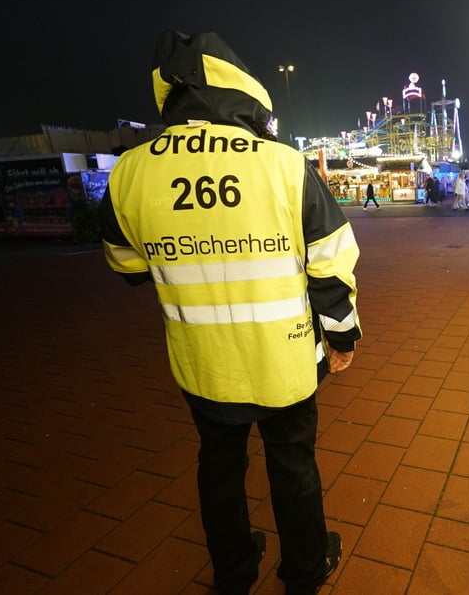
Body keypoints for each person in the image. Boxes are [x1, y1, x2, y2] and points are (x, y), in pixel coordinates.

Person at [99, 30, 361, 595]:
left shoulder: (128, 172)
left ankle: (235, 570)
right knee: (292, 465)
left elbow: (126, 267)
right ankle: (305, 570)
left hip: (203, 364)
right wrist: (342, 338)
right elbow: (331, 263)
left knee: (219, 467)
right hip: (285, 360)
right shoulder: (284, 165)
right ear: (241, 89)